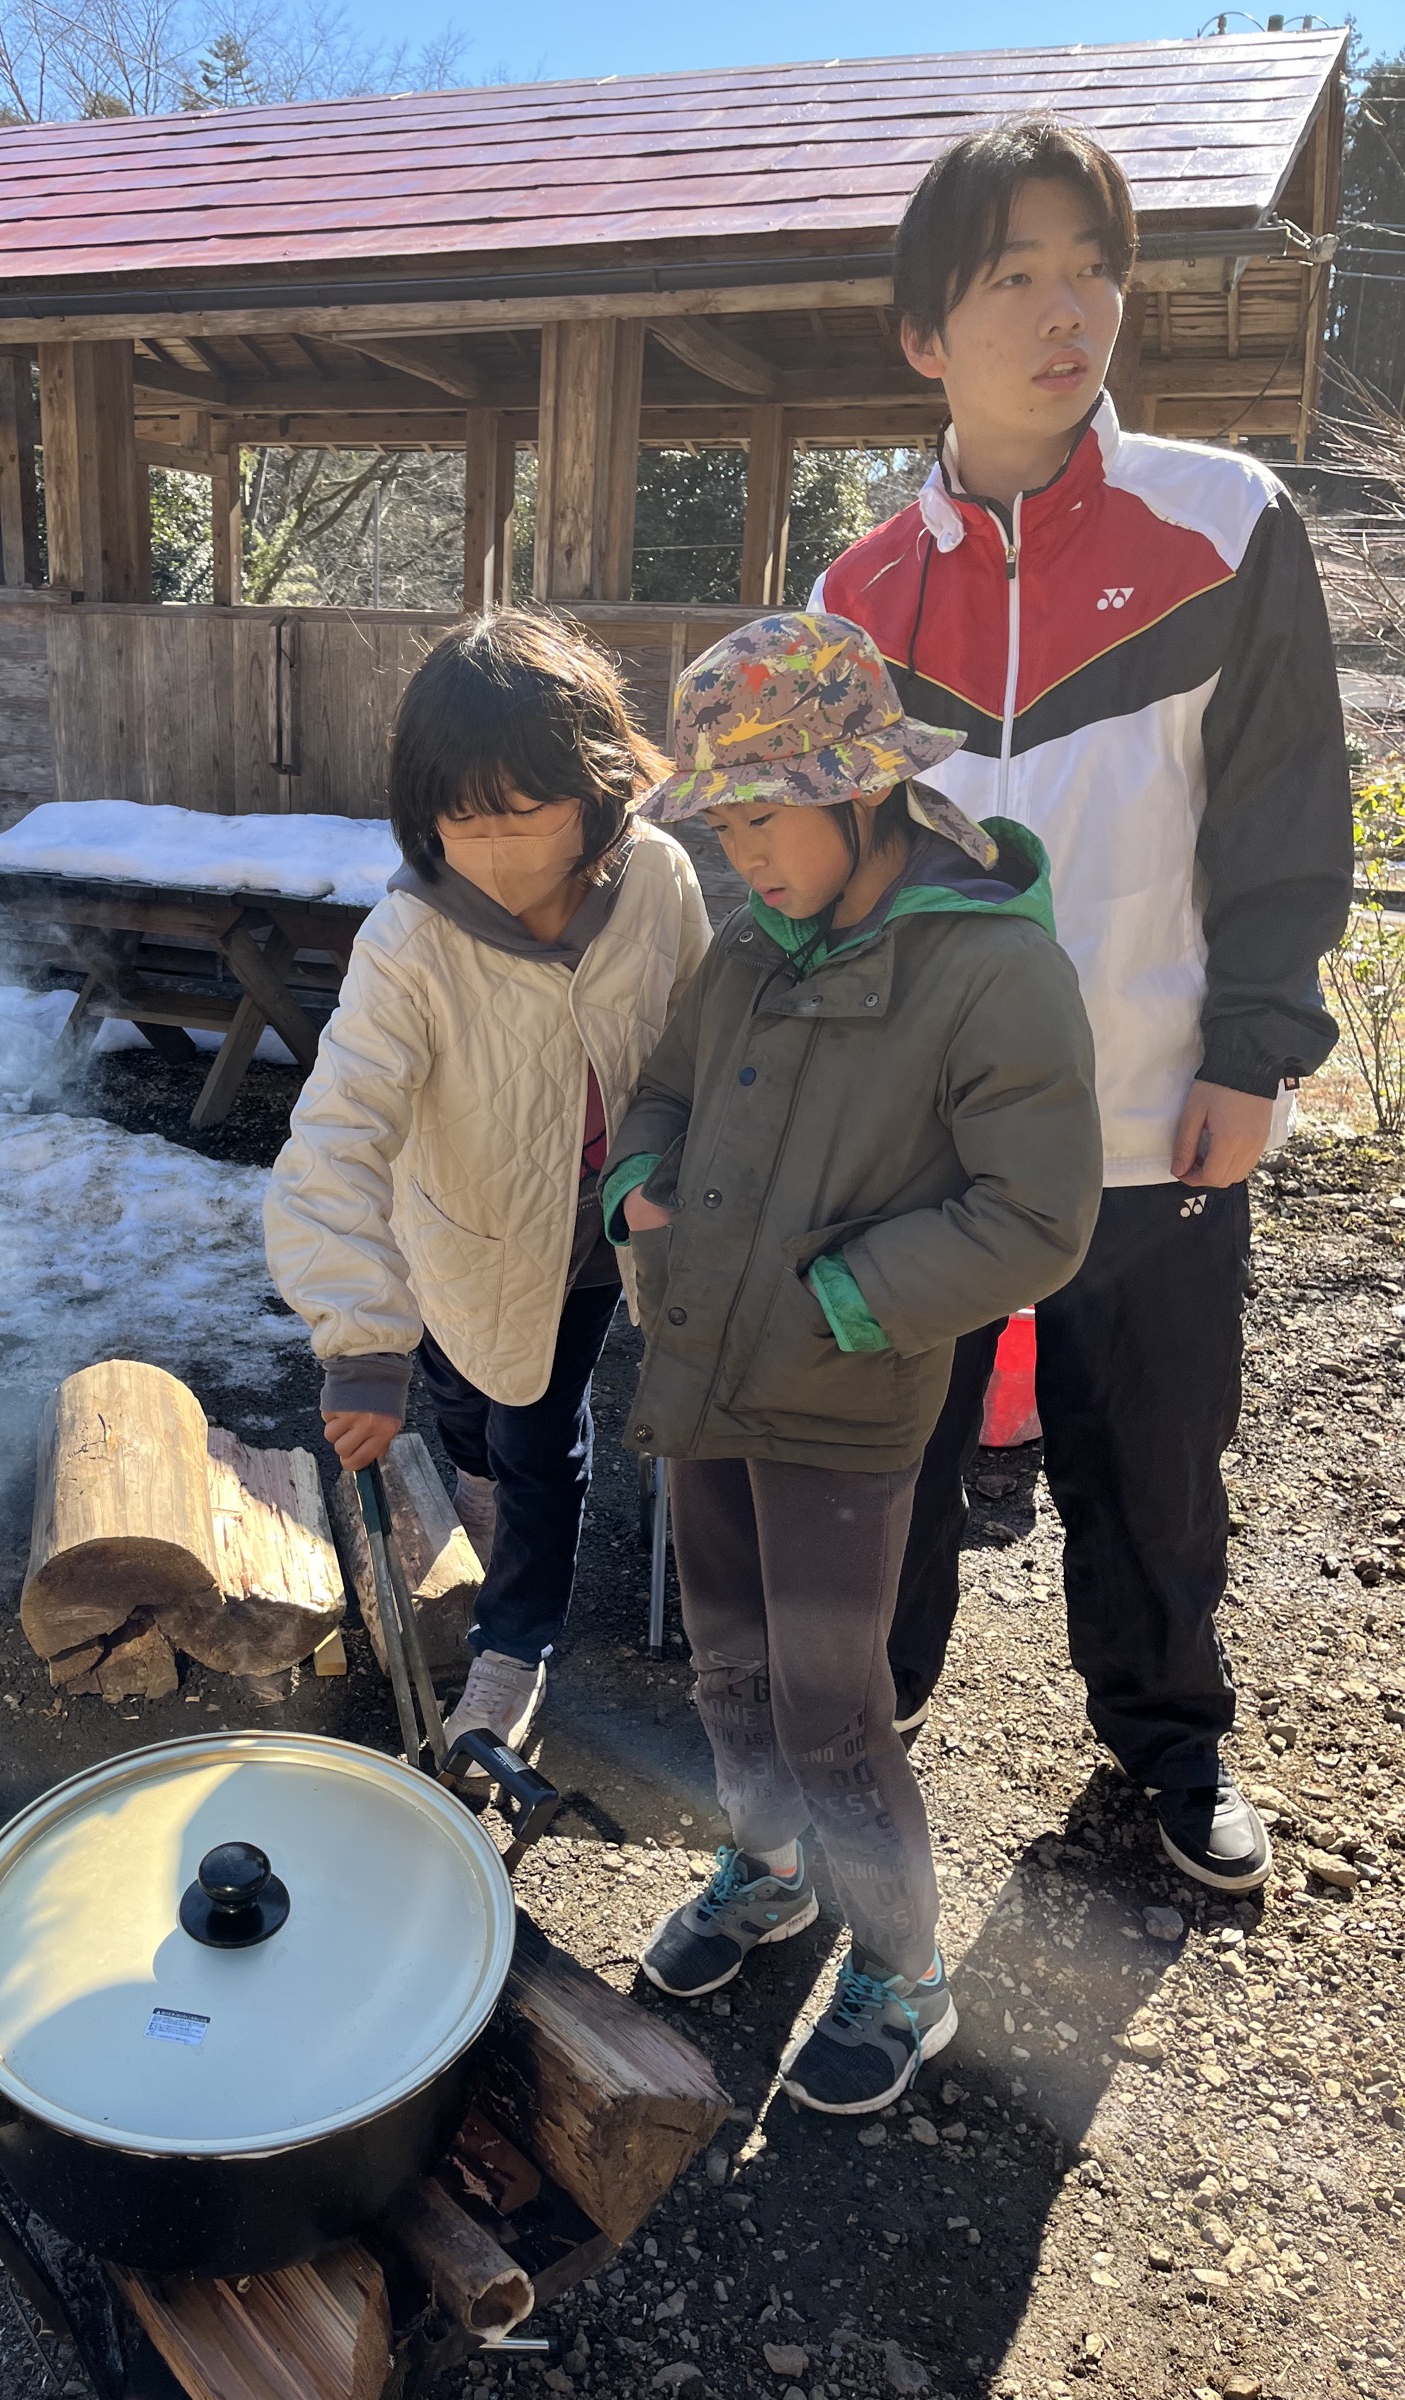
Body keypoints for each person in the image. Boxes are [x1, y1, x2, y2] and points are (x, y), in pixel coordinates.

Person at [814, 115, 1353, 1893]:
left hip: (1153, 1107)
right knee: (890, 1471)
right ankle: (855, 1740)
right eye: (1012, 278)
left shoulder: (1224, 523)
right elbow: (820, 874)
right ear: (921, 335)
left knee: (1155, 1457)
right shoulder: (852, 594)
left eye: (1089, 270)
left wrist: (1255, 1046)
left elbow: (1283, 805)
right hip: (928, 1141)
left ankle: (1169, 1746)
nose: (1067, 313)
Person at [607, 610, 1100, 2112]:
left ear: (863, 788)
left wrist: (842, 1298)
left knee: (833, 1700)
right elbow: (665, 1095)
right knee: (729, 1665)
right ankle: (764, 1875)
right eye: (727, 825)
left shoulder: (993, 972)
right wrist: (638, 1186)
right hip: (702, 1369)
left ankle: (903, 1965)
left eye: (767, 820)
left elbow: (1038, 1216)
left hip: (844, 1396)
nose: (745, 856)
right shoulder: (751, 947)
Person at [265, 610, 711, 1767]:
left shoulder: (655, 880)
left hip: (599, 1230)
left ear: (597, 787)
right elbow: (335, 1136)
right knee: (465, 1399)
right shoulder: (412, 937)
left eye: (525, 808)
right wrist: (363, 1340)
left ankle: (515, 1642)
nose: (495, 841)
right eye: (463, 814)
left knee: (536, 1428)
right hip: (457, 1226)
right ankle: (475, 1491)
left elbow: (705, 1031)